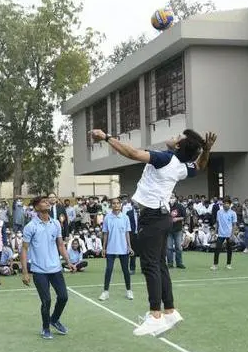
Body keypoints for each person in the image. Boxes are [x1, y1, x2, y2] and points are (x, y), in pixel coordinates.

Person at [90, 128, 215, 336]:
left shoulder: (164, 158)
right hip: (162, 217)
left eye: (177, 137)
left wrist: (105, 137)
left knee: (150, 266)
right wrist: (207, 150)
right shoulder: (181, 166)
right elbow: (201, 165)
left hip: (153, 217)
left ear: (177, 146)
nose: (174, 136)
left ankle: (155, 315)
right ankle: (170, 310)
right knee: (160, 264)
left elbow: (131, 153)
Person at [21, 196, 76, 340]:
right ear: (37, 207)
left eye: (48, 201)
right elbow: (24, 250)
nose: (48, 203)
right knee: (46, 301)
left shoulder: (56, 223)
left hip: (55, 268)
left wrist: (68, 261)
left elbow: (60, 245)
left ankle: (54, 319)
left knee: (63, 297)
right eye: (44, 202)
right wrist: (25, 272)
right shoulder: (31, 227)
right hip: (39, 270)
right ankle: (45, 328)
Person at [99, 197, 134, 301]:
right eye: (113, 203)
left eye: (117, 203)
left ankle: (129, 291)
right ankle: (106, 292)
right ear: (111, 205)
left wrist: (129, 246)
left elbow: (127, 233)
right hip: (110, 249)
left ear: (120, 205)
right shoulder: (107, 218)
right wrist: (104, 248)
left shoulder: (125, 218)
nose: (116, 205)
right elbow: (105, 233)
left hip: (123, 248)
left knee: (125, 270)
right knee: (109, 269)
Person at [211, 198, 237, 270]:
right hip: (221, 234)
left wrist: (232, 234)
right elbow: (217, 223)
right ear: (222, 204)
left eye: (227, 203)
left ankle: (228, 264)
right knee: (217, 249)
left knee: (229, 250)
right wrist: (215, 233)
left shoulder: (233, 213)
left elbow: (234, 224)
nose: (226, 205)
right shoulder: (219, 212)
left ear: (230, 204)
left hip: (229, 234)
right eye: (224, 203)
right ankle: (215, 265)